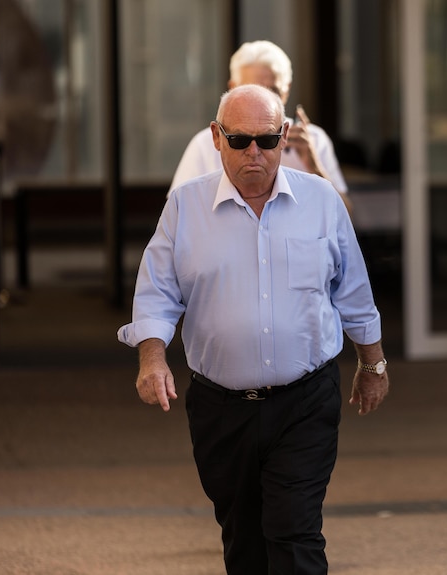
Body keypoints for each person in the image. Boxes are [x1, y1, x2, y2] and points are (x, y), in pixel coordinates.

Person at [118, 84, 389, 575]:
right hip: (220, 408)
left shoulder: (320, 200)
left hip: (305, 400)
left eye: (266, 140)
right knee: (244, 540)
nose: (253, 153)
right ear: (216, 137)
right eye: (240, 139)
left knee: (294, 530)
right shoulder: (185, 207)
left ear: (284, 137)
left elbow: (354, 291)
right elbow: (157, 293)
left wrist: (373, 363)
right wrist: (152, 358)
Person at [170, 40, 350, 212]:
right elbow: (180, 215)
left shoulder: (313, 140)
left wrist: (314, 167)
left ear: (286, 90)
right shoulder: (204, 144)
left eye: (272, 91)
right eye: (238, 141)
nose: (261, 100)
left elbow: (344, 219)